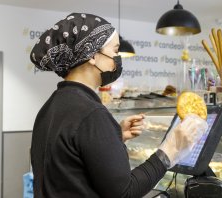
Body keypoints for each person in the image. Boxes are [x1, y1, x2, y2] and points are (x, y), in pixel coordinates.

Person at [30, 13, 207, 198]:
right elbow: (125, 192)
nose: (117, 59)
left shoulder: (51, 106)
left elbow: (70, 164)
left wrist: (113, 139)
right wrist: (171, 149)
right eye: (115, 51)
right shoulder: (91, 113)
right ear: (91, 55)